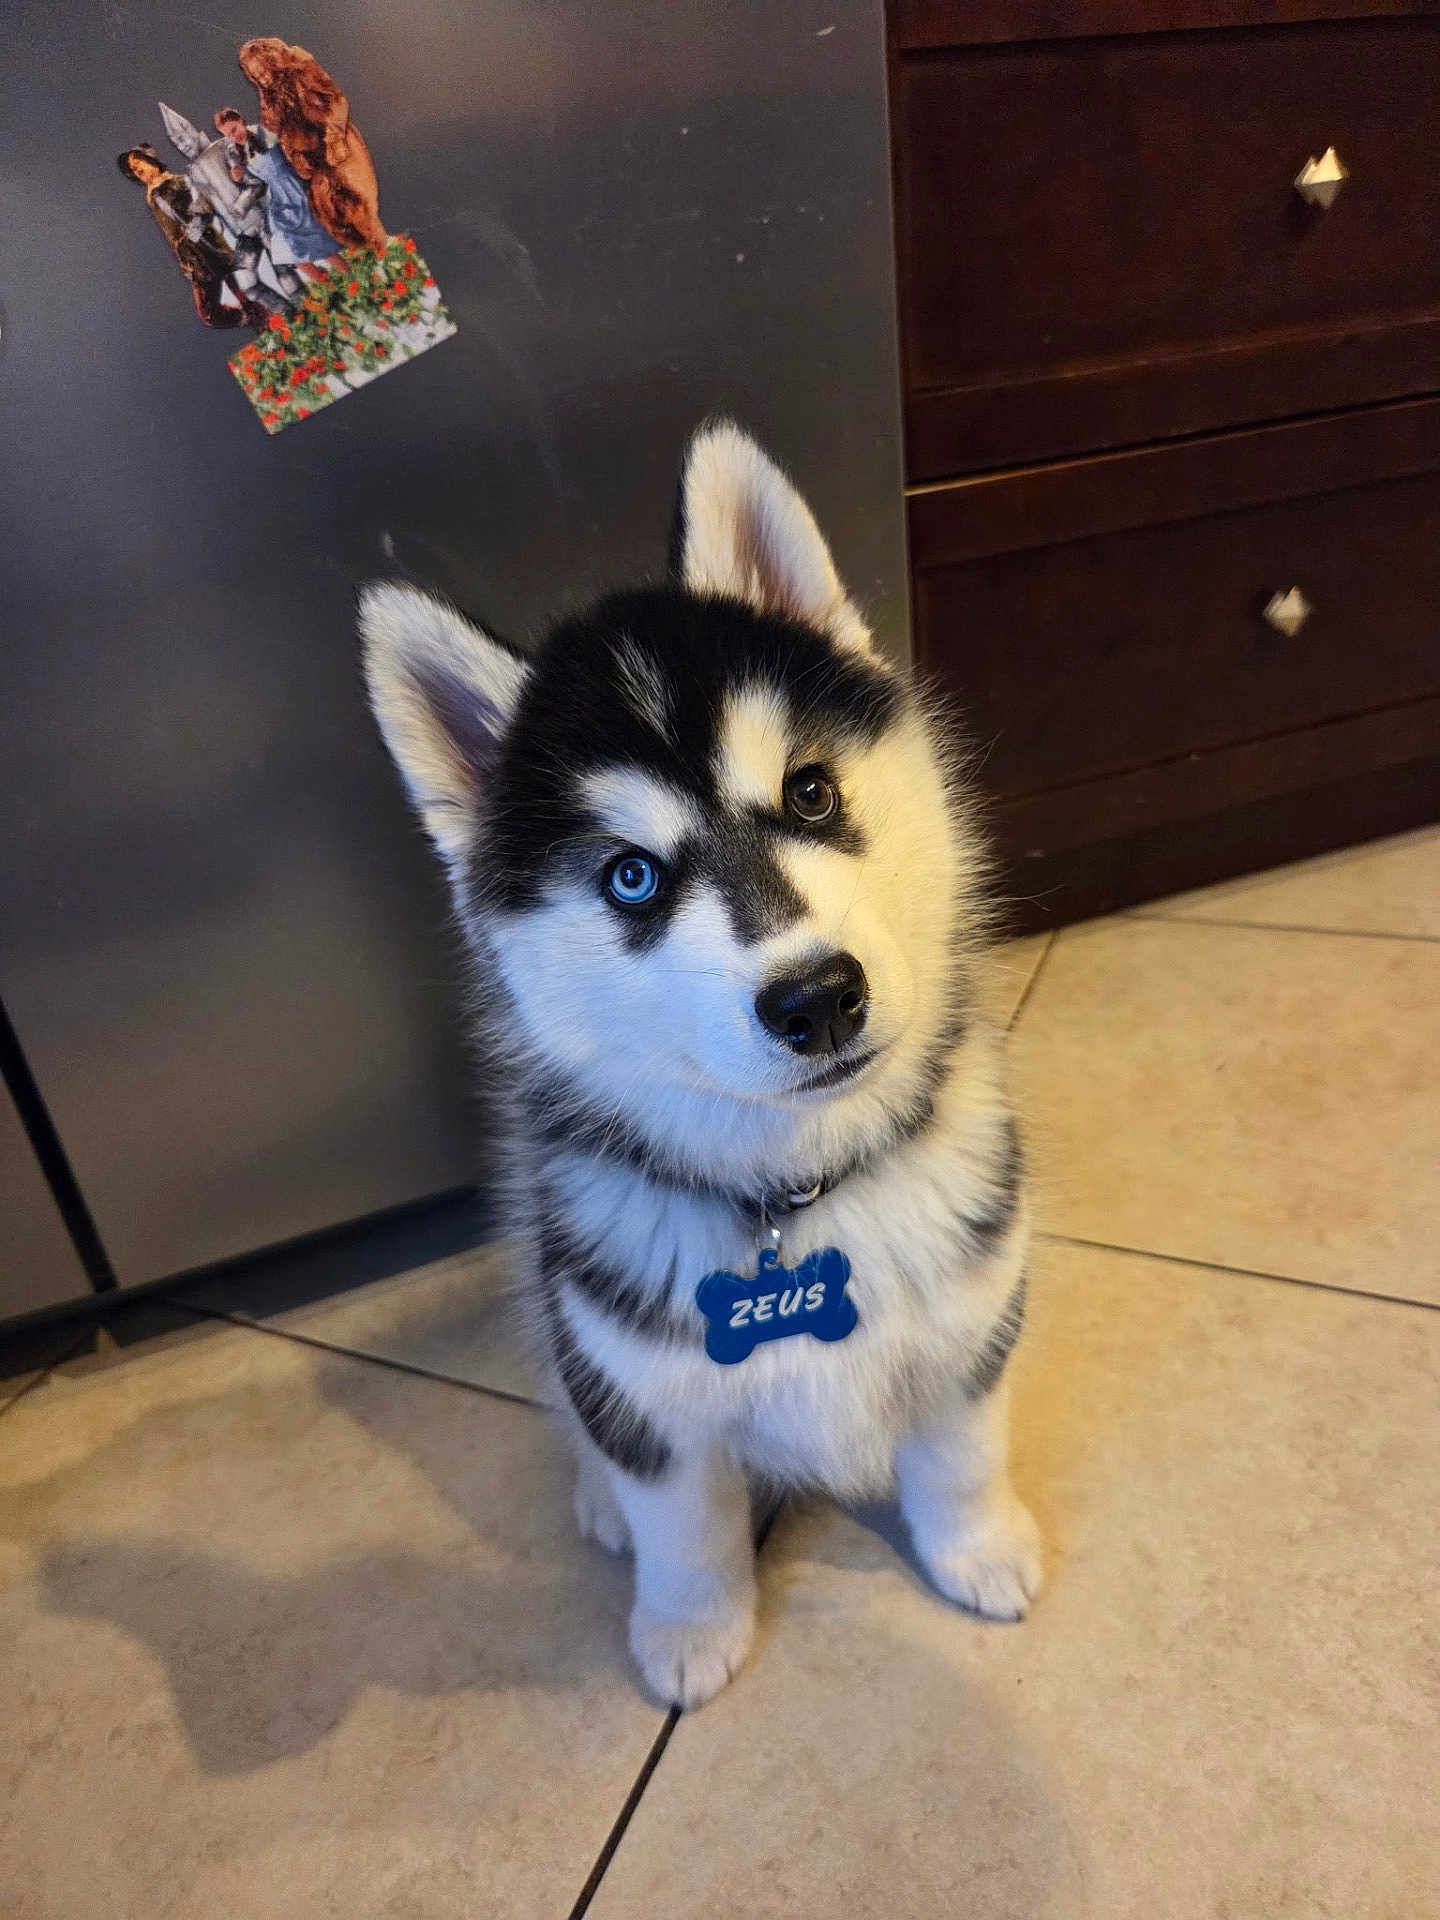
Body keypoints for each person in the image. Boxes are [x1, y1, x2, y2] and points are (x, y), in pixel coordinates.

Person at [237, 38, 387, 250]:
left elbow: (337, 100)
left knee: (361, 206)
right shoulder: (269, 98)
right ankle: (371, 255)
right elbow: (278, 130)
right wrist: (295, 156)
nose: (262, 78)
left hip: (336, 144)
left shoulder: (300, 67)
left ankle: (385, 250)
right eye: (256, 76)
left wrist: (334, 137)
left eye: (263, 71)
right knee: (332, 216)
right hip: (312, 158)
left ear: (272, 61)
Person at [116, 145, 270, 329]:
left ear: (150, 159)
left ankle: (263, 321)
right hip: (192, 257)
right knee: (218, 305)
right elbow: (171, 232)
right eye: (133, 169)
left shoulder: (179, 182)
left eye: (138, 162)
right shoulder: (152, 196)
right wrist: (184, 260)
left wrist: (197, 226)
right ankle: (256, 320)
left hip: (206, 247)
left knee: (223, 301)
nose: (137, 169)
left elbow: (205, 204)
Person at [214, 107, 339, 286]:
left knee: (319, 241)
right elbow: (253, 180)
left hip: (296, 190)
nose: (234, 136)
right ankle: (330, 288)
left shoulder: (264, 132)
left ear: (241, 120)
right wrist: (240, 175)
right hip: (278, 200)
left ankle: (356, 281)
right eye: (228, 135)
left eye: (234, 129)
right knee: (289, 252)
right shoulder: (239, 151)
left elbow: (294, 151)